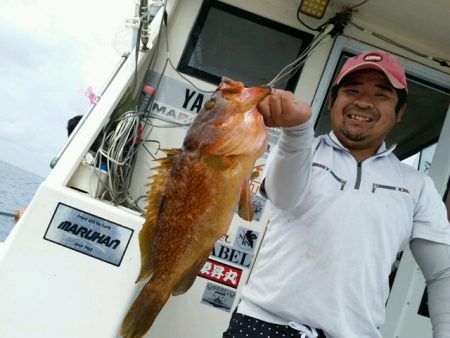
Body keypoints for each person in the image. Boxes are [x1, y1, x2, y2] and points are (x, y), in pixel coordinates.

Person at [223, 50, 450, 338]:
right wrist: (297, 130)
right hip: (263, 324)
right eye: (352, 90)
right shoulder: (300, 149)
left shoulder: (417, 186)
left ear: (399, 112)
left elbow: (442, 273)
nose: (364, 102)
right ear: (332, 100)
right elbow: (283, 196)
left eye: (381, 95)